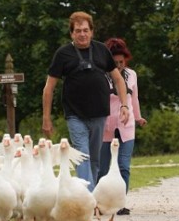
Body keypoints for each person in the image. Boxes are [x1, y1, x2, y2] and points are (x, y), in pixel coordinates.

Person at [42, 11, 129, 191]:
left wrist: (124, 105)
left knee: (95, 160)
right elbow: (49, 88)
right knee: (83, 155)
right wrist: (46, 118)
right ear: (72, 33)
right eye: (78, 31)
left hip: (99, 114)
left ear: (92, 32)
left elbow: (118, 79)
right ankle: (87, 198)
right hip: (75, 115)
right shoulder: (63, 54)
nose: (82, 34)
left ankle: (91, 192)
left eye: (85, 30)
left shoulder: (101, 50)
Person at [97, 38, 147, 215]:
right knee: (102, 167)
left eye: (121, 62)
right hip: (106, 125)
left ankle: (120, 204)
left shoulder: (131, 75)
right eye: (115, 62)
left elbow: (134, 99)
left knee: (123, 166)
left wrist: (139, 117)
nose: (118, 65)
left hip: (127, 125)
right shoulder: (101, 75)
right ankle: (100, 203)